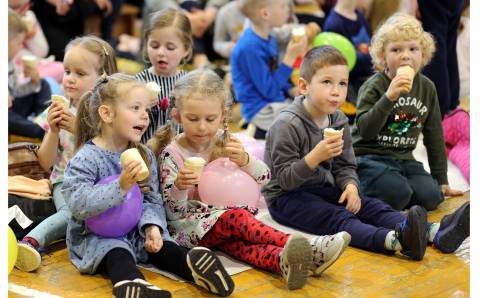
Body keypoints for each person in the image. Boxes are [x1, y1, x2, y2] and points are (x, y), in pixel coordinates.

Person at [148, 69, 350, 291]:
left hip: (221, 223)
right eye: (193, 119)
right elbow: (172, 213)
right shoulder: (172, 154)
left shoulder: (224, 143)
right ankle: (313, 247)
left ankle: (283, 260)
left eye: (211, 119)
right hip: (189, 229)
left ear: (224, 116)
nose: (203, 127)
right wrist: (180, 186)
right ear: (177, 116)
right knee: (237, 218)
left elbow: (264, 177)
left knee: (240, 246)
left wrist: (244, 160)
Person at [264, 46, 470, 262]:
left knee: (370, 205)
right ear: (304, 86)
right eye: (327, 82)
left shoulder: (338, 119)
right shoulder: (287, 124)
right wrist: (315, 157)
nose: (336, 91)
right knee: (338, 217)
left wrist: (351, 186)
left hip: (322, 187)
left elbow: (345, 166)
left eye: (342, 83)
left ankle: (435, 232)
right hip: (286, 198)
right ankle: (396, 241)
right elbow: (285, 181)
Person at [62, 73, 234, 297]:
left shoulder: (144, 154)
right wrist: (121, 186)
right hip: (96, 235)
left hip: (136, 229)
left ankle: (191, 265)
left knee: (160, 245)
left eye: (146, 110)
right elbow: (78, 204)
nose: (144, 117)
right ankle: (132, 283)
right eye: (135, 108)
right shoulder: (86, 158)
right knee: (115, 250)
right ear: (106, 113)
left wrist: (152, 226)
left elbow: (152, 199)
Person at [15, 36, 118, 273]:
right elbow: (45, 162)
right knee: (73, 212)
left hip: (104, 183)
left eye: (80, 74)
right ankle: (31, 241)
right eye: (67, 71)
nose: (69, 79)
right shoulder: (59, 110)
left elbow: (112, 155)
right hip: (66, 181)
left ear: (102, 78)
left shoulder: (109, 116)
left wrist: (82, 131)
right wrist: (53, 130)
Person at [351, 12, 463, 212]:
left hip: (404, 157)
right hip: (369, 156)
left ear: (423, 54)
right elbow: (365, 130)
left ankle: (397, 186)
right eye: (396, 49)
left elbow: (434, 134)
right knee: (399, 193)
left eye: (413, 48)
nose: (405, 55)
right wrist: (388, 98)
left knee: (431, 197)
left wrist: (441, 179)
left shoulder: (427, 87)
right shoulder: (374, 86)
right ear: (383, 56)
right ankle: (364, 189)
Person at [231, 0, 308, 139]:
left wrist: (289, 89)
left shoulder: (269, 36)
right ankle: (257, 131)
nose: (288, 9)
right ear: (265, 13)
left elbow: (273, 73)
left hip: (274, 99)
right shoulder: (250, 47)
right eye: (283, 6)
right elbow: (270, 91)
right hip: (260, 109)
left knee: (312, 108)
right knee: (304, 124)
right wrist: (290, 58)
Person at [135, 8, 193, 144]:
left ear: (186, 49)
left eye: (170, 48)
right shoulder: (137, 83)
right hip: (145, 154)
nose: (161, 52)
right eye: (154, 46)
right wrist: (139, 107)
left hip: (181, 154)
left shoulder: (191, 84)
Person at [8, 8, 51, 139]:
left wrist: (33, 83)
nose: (21, 47)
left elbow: (16, 92)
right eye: (19, 43)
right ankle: (38, 130)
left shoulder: (10, 62)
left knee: (43, 84)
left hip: (15, 109)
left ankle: (43, 122)